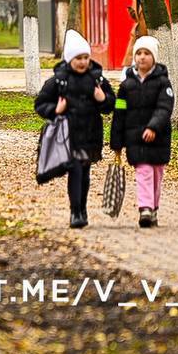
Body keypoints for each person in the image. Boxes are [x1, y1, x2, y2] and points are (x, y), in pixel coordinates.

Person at [34, 30, 115, 229]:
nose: (82, 62)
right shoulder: (59, 80)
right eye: (78, 58)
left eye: (86, 57)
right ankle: (75, 211)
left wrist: (102, 99)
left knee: (85, 173)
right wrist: (56, 110)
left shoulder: (98, 80)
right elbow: (40, 104)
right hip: (67, 136)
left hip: (90, 135)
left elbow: (113, 104)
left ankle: (82, 209)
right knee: (75, 170)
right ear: (70, 58)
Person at [111, 35, 174, 228]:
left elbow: (165, 107)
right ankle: (145, 208)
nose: (142, 57)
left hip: (159, 138)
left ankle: (153, 208)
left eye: (147, 53)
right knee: (144, 171)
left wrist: (154, 127)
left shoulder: (163, 83)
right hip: (135, 139)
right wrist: (117, 142)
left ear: (154, 57)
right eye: (139, 53)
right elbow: (119, 113)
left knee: (156, 174)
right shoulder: (126, 86)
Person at [121, 0, 148, 68]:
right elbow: (137, 18)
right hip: (136, 32)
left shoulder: (149, 1)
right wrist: (131, 12)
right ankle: (127, 72)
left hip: (146, 32)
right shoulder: (135, 0)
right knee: (130, 55)